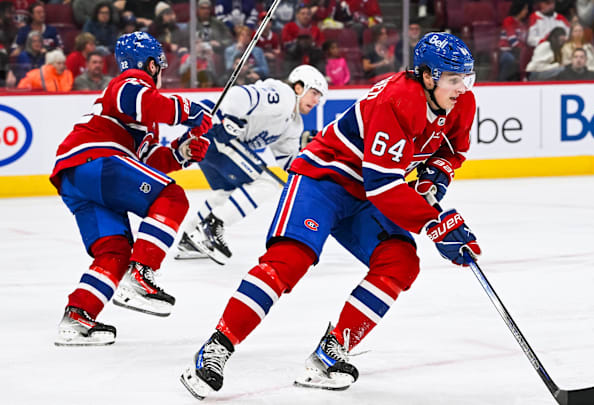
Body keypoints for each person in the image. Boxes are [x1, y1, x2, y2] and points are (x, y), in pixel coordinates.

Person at [179, 32, 481, 399]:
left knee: (400, 262)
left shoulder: (462, 103)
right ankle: (215, 349)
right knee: (289, 261)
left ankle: (331, 351)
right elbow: (383, 184)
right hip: (323, 179)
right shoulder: (396, 99)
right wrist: (435, 224)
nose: (462, 88)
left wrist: (437, 176)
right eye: (454, 79)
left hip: (366, 192)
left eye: (467, 78)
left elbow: (453, 152)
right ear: (428, 76)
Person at [50, 32, 212, 347]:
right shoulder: (131, 81)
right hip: (97, 160)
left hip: (77, 177)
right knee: (172, 197)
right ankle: (141, 274)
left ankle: (77, 317)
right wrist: (190, 111)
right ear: (151, 64)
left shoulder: (140, 117)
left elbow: (148, 161)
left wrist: (183, 150)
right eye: (160, 66)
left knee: (115, 251)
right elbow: (145, 100)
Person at [174, 65, 328, 264]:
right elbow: (239, 94)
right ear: (299, 87)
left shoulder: (294, 124)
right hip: (214, 130)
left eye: (319, 96)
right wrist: (229, 117)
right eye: (314, 93)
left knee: (227, 190)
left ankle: (189, 237)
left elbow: (289, 163)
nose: (316, 100)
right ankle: (212, 226)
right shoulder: (283, 95)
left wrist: (312, 158)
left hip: (212, 140)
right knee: (267, 182)